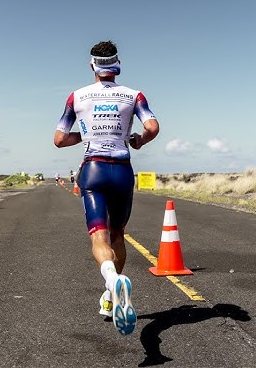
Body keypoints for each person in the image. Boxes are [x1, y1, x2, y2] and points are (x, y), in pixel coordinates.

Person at [53, 40, 159, 336]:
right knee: (118, 235)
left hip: (94, 170)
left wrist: (85, 136)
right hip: (122, 170)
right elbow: (152, 127)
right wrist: (137, 140)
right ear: (117, 66)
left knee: (99, 237)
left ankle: (112, 282)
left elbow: (59, 139)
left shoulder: (77, 97)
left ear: (92, 67)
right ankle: (112, 294)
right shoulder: (133, 95)